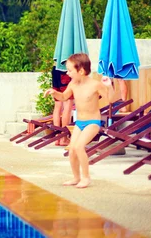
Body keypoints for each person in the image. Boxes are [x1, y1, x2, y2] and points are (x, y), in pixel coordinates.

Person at [44, 53, 115, 188]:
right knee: (72, 150)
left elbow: (110, 99)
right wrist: (54, 92)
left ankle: (86, 178)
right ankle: (76, 177)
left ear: (81, 71)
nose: (67, 73)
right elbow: (64, 97)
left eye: (70, 70)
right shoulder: (73, 84)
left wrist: (109, 86)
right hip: (79, 123)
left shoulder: (95, 85)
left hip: (93, 122)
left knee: (79, 147)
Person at [51, 64, 74, 146]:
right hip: (64, 70)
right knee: (67, 106)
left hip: (55, 69)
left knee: (57, 106)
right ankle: (64, 138)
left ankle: (57, 137)